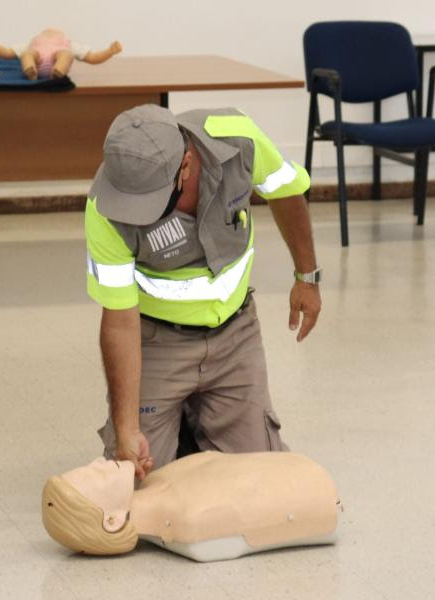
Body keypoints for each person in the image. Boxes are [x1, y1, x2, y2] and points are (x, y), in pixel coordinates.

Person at [86, 104, 321, 480]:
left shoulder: (238, 137)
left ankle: (196, 427)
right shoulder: (104, 208)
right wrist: (127, 429)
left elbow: (286, 191)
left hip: (236, 335)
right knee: (138, 483)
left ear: (186, 163)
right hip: (156, 344)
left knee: (259, 481)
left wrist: (306, 277)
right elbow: (118, 322)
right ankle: (183, 430)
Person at [42, 452, 340, 562]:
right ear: (112, 520)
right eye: (91, 476)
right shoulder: (188, 518)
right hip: (313, 481)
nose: (97, 463)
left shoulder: (159, 479)